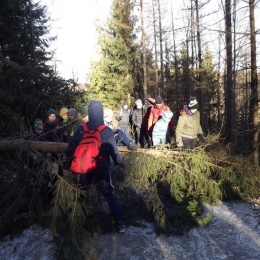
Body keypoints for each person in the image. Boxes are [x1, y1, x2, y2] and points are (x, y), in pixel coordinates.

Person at [66, 100, 126, 233]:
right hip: (102, 167)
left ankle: (78, 221)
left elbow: (72, 147)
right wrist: (119, 163)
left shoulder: (82, 129)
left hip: (84, 168)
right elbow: (113, 151)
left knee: (82, 193)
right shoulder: (107, 131)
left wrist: (68, 163)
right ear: (101, 112)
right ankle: (119, 222)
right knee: (109, 194)